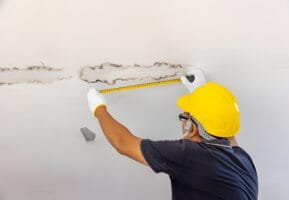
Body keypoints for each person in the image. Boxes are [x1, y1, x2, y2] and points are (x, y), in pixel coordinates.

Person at [86, 68, 258, 200]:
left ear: (194, 128)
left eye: (184, 117)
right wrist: (202, 94)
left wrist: (98, 108)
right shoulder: (243, 161)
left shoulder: (190, 155)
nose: (183, 122)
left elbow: (122, 143)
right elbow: (225, 129)